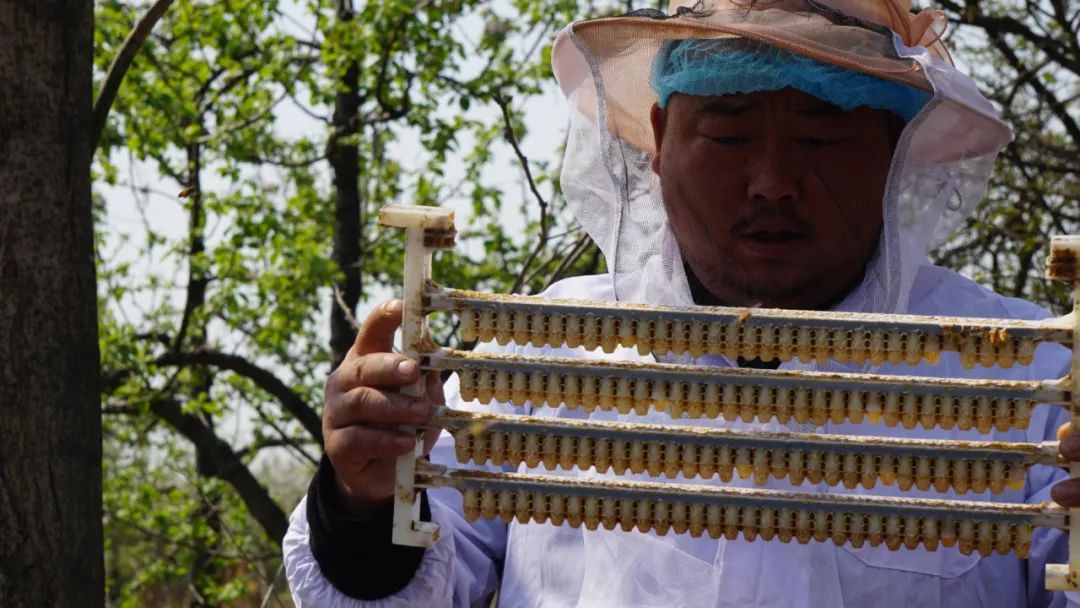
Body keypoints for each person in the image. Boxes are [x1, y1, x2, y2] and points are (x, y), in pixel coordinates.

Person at [284, 1, 1080, 605]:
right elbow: (401, 585)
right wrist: (362, 497)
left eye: (823, 136)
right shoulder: (542, 359)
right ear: (660, 141)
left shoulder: (1029, 378)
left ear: (893, 155)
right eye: (729, 134)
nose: (772, 181)